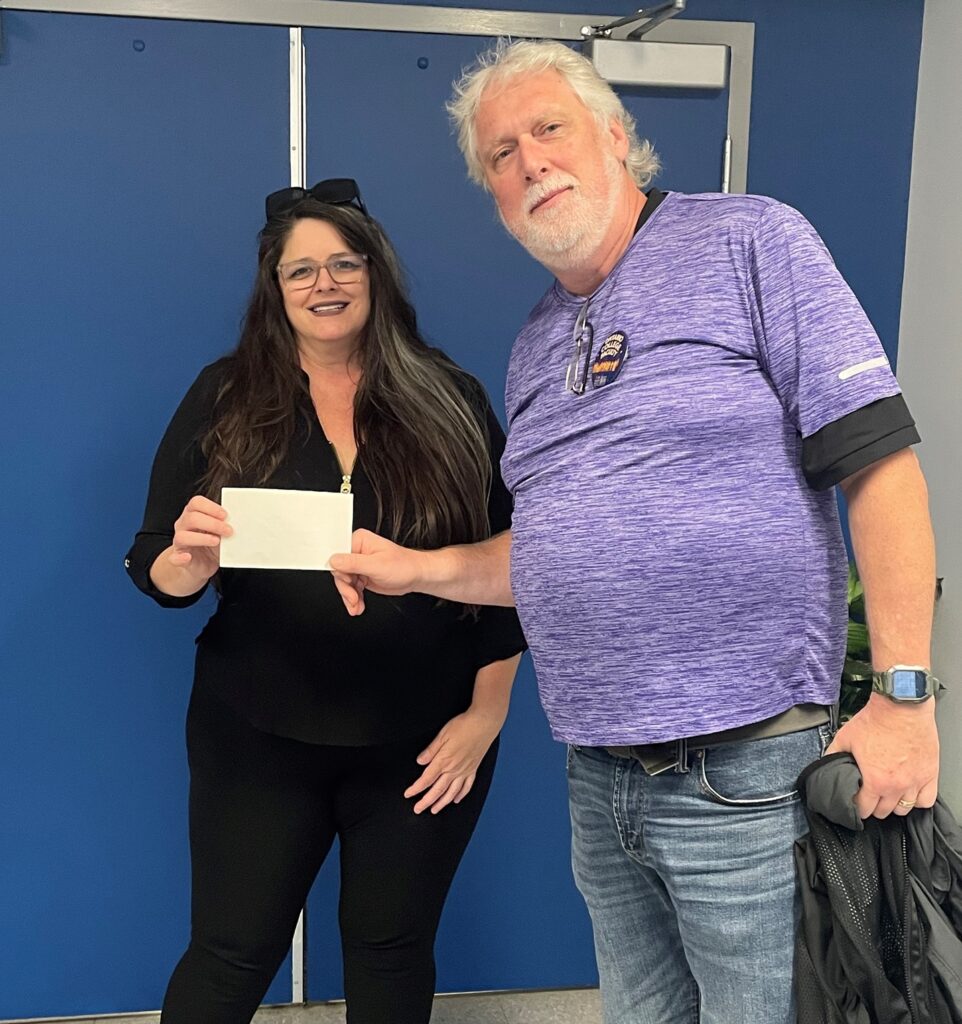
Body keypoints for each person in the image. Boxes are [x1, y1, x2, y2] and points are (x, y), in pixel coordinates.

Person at [329, 41, 943, 1024]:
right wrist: (417, 568)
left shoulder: (750, 240)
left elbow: (879, 465)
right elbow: (547, 555)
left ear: (615, 135)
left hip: (746, 770)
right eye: (500, 154)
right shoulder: (535, 345)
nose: (529, 162)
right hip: (600, 778)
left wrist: (905, 698)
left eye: (548, 129)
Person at [125, 177, 525, 1024]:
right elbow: (154, 563)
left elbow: (512, 566)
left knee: (392, 953)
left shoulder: (449, 398)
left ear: (376, 273)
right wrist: (187, 563)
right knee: (230, 955)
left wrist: (486, 716)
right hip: (256, 733)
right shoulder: (225, 396)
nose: (325, 284)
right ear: (274, 288)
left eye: (345, 263)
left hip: (422, 742)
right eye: (301, 270)